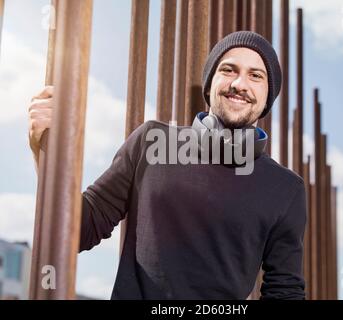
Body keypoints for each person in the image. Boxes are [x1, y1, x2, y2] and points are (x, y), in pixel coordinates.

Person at [28, 31, 307, 300]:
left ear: (268, 96)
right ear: (210, 84)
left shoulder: (285, 188)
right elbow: (78, 231)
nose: (239, 84)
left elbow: (285, 292)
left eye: (255, 75)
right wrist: (46, 153)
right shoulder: (151, 142)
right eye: (228, 69)